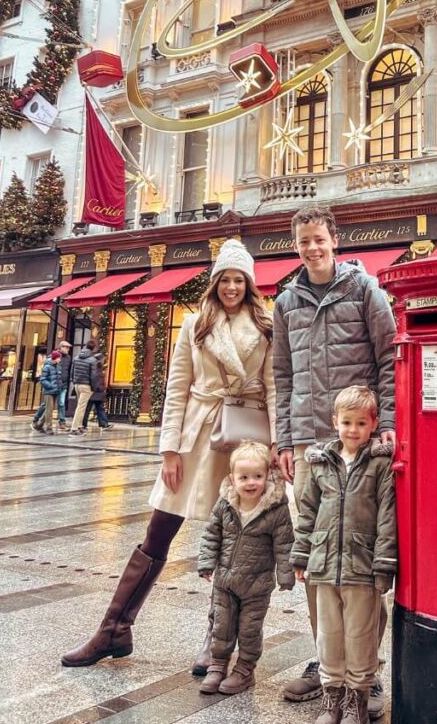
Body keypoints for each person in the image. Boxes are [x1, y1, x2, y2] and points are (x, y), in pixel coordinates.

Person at [61, 238, 275, 667]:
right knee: (157, 533)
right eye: (224, 279)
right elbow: (176, 391)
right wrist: (169, 451)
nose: (231, 287)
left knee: (233, 544)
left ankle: (216, 643)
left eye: (239, 280)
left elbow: (273, 389)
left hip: (241, 444)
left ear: (249, 284)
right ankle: (113, 630)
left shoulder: (268, 328)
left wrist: (272, 450)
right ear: (214, 283)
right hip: (195, 438)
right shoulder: (193, 324)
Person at [274, 203, 396, 719]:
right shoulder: (285, 302)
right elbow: (281, 375)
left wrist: (386, 420)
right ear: (297, 246)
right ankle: (328, 667)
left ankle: (366, 673)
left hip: (359, 439)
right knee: (316, 563)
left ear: (334, 241)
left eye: (319, 239)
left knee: (365, 557)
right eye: (304, 242)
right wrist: (284, 437)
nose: (313, 248)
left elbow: (390, 355)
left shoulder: (365, 290)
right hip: (308, 443)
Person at [291, 386, 397, 724]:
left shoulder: (380, 464)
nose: (353, 430)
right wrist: (300, 555)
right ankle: (331, 698)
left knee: (360, 637)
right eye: (347, 422)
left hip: (361, 566)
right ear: (334, 421)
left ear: (374, 424)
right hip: (323, 565)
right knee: (329, 635)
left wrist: (384, 566)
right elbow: (307, 510)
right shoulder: (321, 463)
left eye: (361, 423)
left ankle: (356, 702)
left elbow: (387, 516)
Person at [197, 441, 294, 696]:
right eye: (244, 477)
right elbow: (211, 535)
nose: (251, 483)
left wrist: (286, 574)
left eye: (258, 476)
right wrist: (207, 563)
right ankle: (217, 665)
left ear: (268, 476)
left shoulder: (276, 508)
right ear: (232, 478)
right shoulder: (225, 504)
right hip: (225, 581)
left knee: (250, 629)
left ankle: (244, 670)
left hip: (257, 584)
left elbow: (284, 543)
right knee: (222, 626)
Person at [32, 340, 71, 432]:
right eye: (66, 347)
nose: (67, 349)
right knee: (47, 406)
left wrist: (62, 383)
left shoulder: (67, 358)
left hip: (60, 385)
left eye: (68, 347)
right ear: (61, 347)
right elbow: (43, 378)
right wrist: (50, 385)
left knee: (59, 404)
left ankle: (60, 422)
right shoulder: (50, 362)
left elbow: (62, 372)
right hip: (51, 388)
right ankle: (41, 422)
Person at [69, 339, 99, 437]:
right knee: (81, 407)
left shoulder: (76, 358)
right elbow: (94, 376)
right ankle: (74, 428)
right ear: (93, 348)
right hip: (86, 386)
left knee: (80, 406)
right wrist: (94, 387)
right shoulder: (93, 360)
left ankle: (79, 425)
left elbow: (72, 372)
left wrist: (74, 381)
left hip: (77, 384)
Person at [82, 351, 112, 430]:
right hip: (95, 391)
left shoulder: (96, 367)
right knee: (90, 408)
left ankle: (103, 424)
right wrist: (99, 388)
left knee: (97, 408)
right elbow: (95, 379)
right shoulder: (96, 368)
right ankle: (85, 424)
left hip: (97, 391)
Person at [38, 351, 63, 435]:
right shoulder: (47, 367)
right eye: (59, 358)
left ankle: (39, 424)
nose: (60, 359)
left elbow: (58, 378)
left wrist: (60, 386)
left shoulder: (58, 366)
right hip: (49, 391)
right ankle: (48, 428)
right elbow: (42, 379)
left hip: (56, 390)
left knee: (50, 409)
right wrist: (51, 386)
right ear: (55, 358)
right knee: (49, 409)